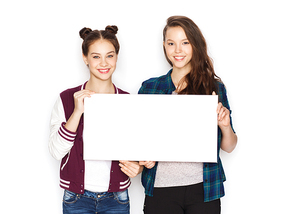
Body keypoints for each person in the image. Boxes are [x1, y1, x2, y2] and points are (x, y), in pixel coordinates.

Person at [138, 16, 237, 214]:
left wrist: (225, 125)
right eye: (171, 43)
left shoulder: (213, 88)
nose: (178, 50)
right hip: (160, 188)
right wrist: (143, 158)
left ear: (195, 45)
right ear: (164, 46)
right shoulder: (150, 87)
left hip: (204, 188)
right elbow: (138, 140)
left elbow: (229, 146)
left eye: (185, 43)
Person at [49, 25, 143, 214]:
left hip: (117, 198)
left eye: (109, 55)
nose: (104, 63)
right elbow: (56, 151)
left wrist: (138, 167)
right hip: (76, 198)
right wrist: (77, 113)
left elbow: (139, 151)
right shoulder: (67, 98)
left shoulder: (129, 101)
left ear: (117, 57)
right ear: (85, 58)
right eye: (96, 56)